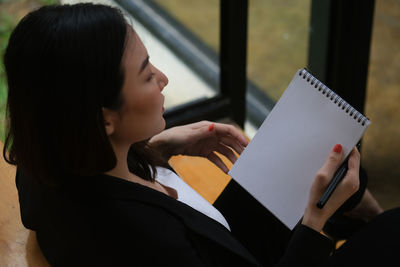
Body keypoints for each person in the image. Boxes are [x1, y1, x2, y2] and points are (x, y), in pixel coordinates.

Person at [2, 3, 399, 266]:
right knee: (391, 230)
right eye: (146, 74)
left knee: (321, 153)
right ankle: (361, 224)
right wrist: (312, 226)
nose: (163, 79)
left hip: (215, 232)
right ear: (104, 120)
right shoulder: (151, 242)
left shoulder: (45, 161)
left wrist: (154, 150)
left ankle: (353, 218)